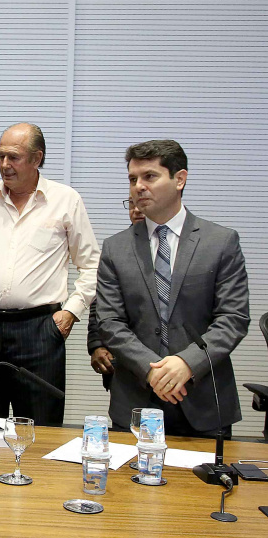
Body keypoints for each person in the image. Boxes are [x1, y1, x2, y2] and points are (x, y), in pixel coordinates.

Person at [97, 140, 249, 436]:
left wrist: (186, 363)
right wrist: (151, 370)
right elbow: (109, 322)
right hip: (136, 401)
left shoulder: (220, 242)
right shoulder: (116, 248)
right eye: (132, 179)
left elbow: (233, 318)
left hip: (204, 400)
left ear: (179, 179)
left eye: (149, 176)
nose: (138, 186)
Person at [0, 123, 99, 426]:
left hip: (39, 331)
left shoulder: (65, 200)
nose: (5, 165)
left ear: (36, 159)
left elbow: (91, 265)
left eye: (14, 157)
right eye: (1, 156)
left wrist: (71, 312)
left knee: (39, 427)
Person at [87, 197, 145, 390]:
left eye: (141, 204)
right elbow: (100, 301)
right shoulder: (115, 247)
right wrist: (96, 345)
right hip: (122, 360)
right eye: (131, 204)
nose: (136, 210)